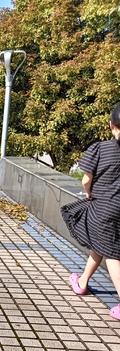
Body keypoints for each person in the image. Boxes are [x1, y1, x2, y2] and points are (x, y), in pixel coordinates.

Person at [62, 104, 120, 319]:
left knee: (113, 255)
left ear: (111, 125)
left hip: (105, 206)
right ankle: (83, 281)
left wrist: (88, 193)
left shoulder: (101, 148)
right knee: (103, 242)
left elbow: (86, 180)